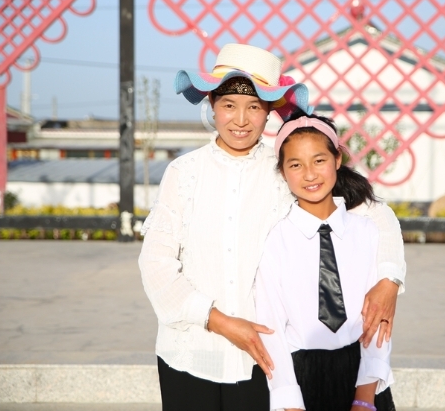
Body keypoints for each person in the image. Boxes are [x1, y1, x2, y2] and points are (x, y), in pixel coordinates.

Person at [138, 43, 405, 411]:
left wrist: (389, 280)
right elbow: (155, 265)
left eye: (254, 107)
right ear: (212, 104)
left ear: (269, 111)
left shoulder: (285, 167)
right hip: (188, 352)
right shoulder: (183, 172)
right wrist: (219, 321)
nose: (241, 120)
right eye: (229, 105)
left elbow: (377, 215)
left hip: (263, 361)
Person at [255, 112, 396, 411]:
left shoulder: (368, 232)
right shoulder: (274, 241)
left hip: (363, 378)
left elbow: (378, 322)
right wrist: (290, 401)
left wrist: (365, 398)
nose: (309, 174)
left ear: (337, 159)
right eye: (296, 165)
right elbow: (271, 329)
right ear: (282, 172)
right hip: (301, 378)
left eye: (319, 160)